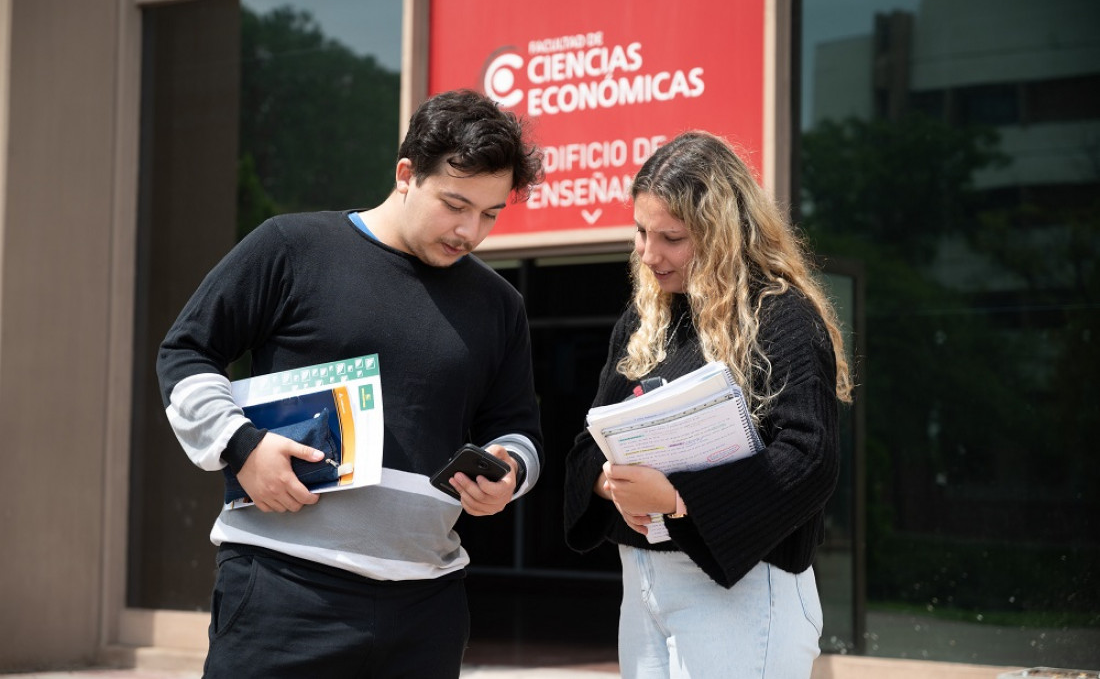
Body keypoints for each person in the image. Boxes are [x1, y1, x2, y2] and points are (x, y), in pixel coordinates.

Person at [157, 89, 544, 678]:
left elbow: (518, 429)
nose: (470, 230)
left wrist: (508, 473)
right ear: (406, 174)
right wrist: (242, 448)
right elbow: (184, 352)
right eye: (455, 203)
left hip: (427, 606)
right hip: (282, 590)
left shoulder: (500, 305)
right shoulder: (291, 248)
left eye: (491, 213)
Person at [563, 130, 853, 678]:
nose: (649, 255)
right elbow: (586, 445)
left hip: (743, 591)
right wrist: (609, 485)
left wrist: (676, 497)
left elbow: (811, 457)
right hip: (642, 584)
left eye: (671, 237)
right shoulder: (643, 319)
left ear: (722, 233)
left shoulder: (781, 315)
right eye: (642, 232)